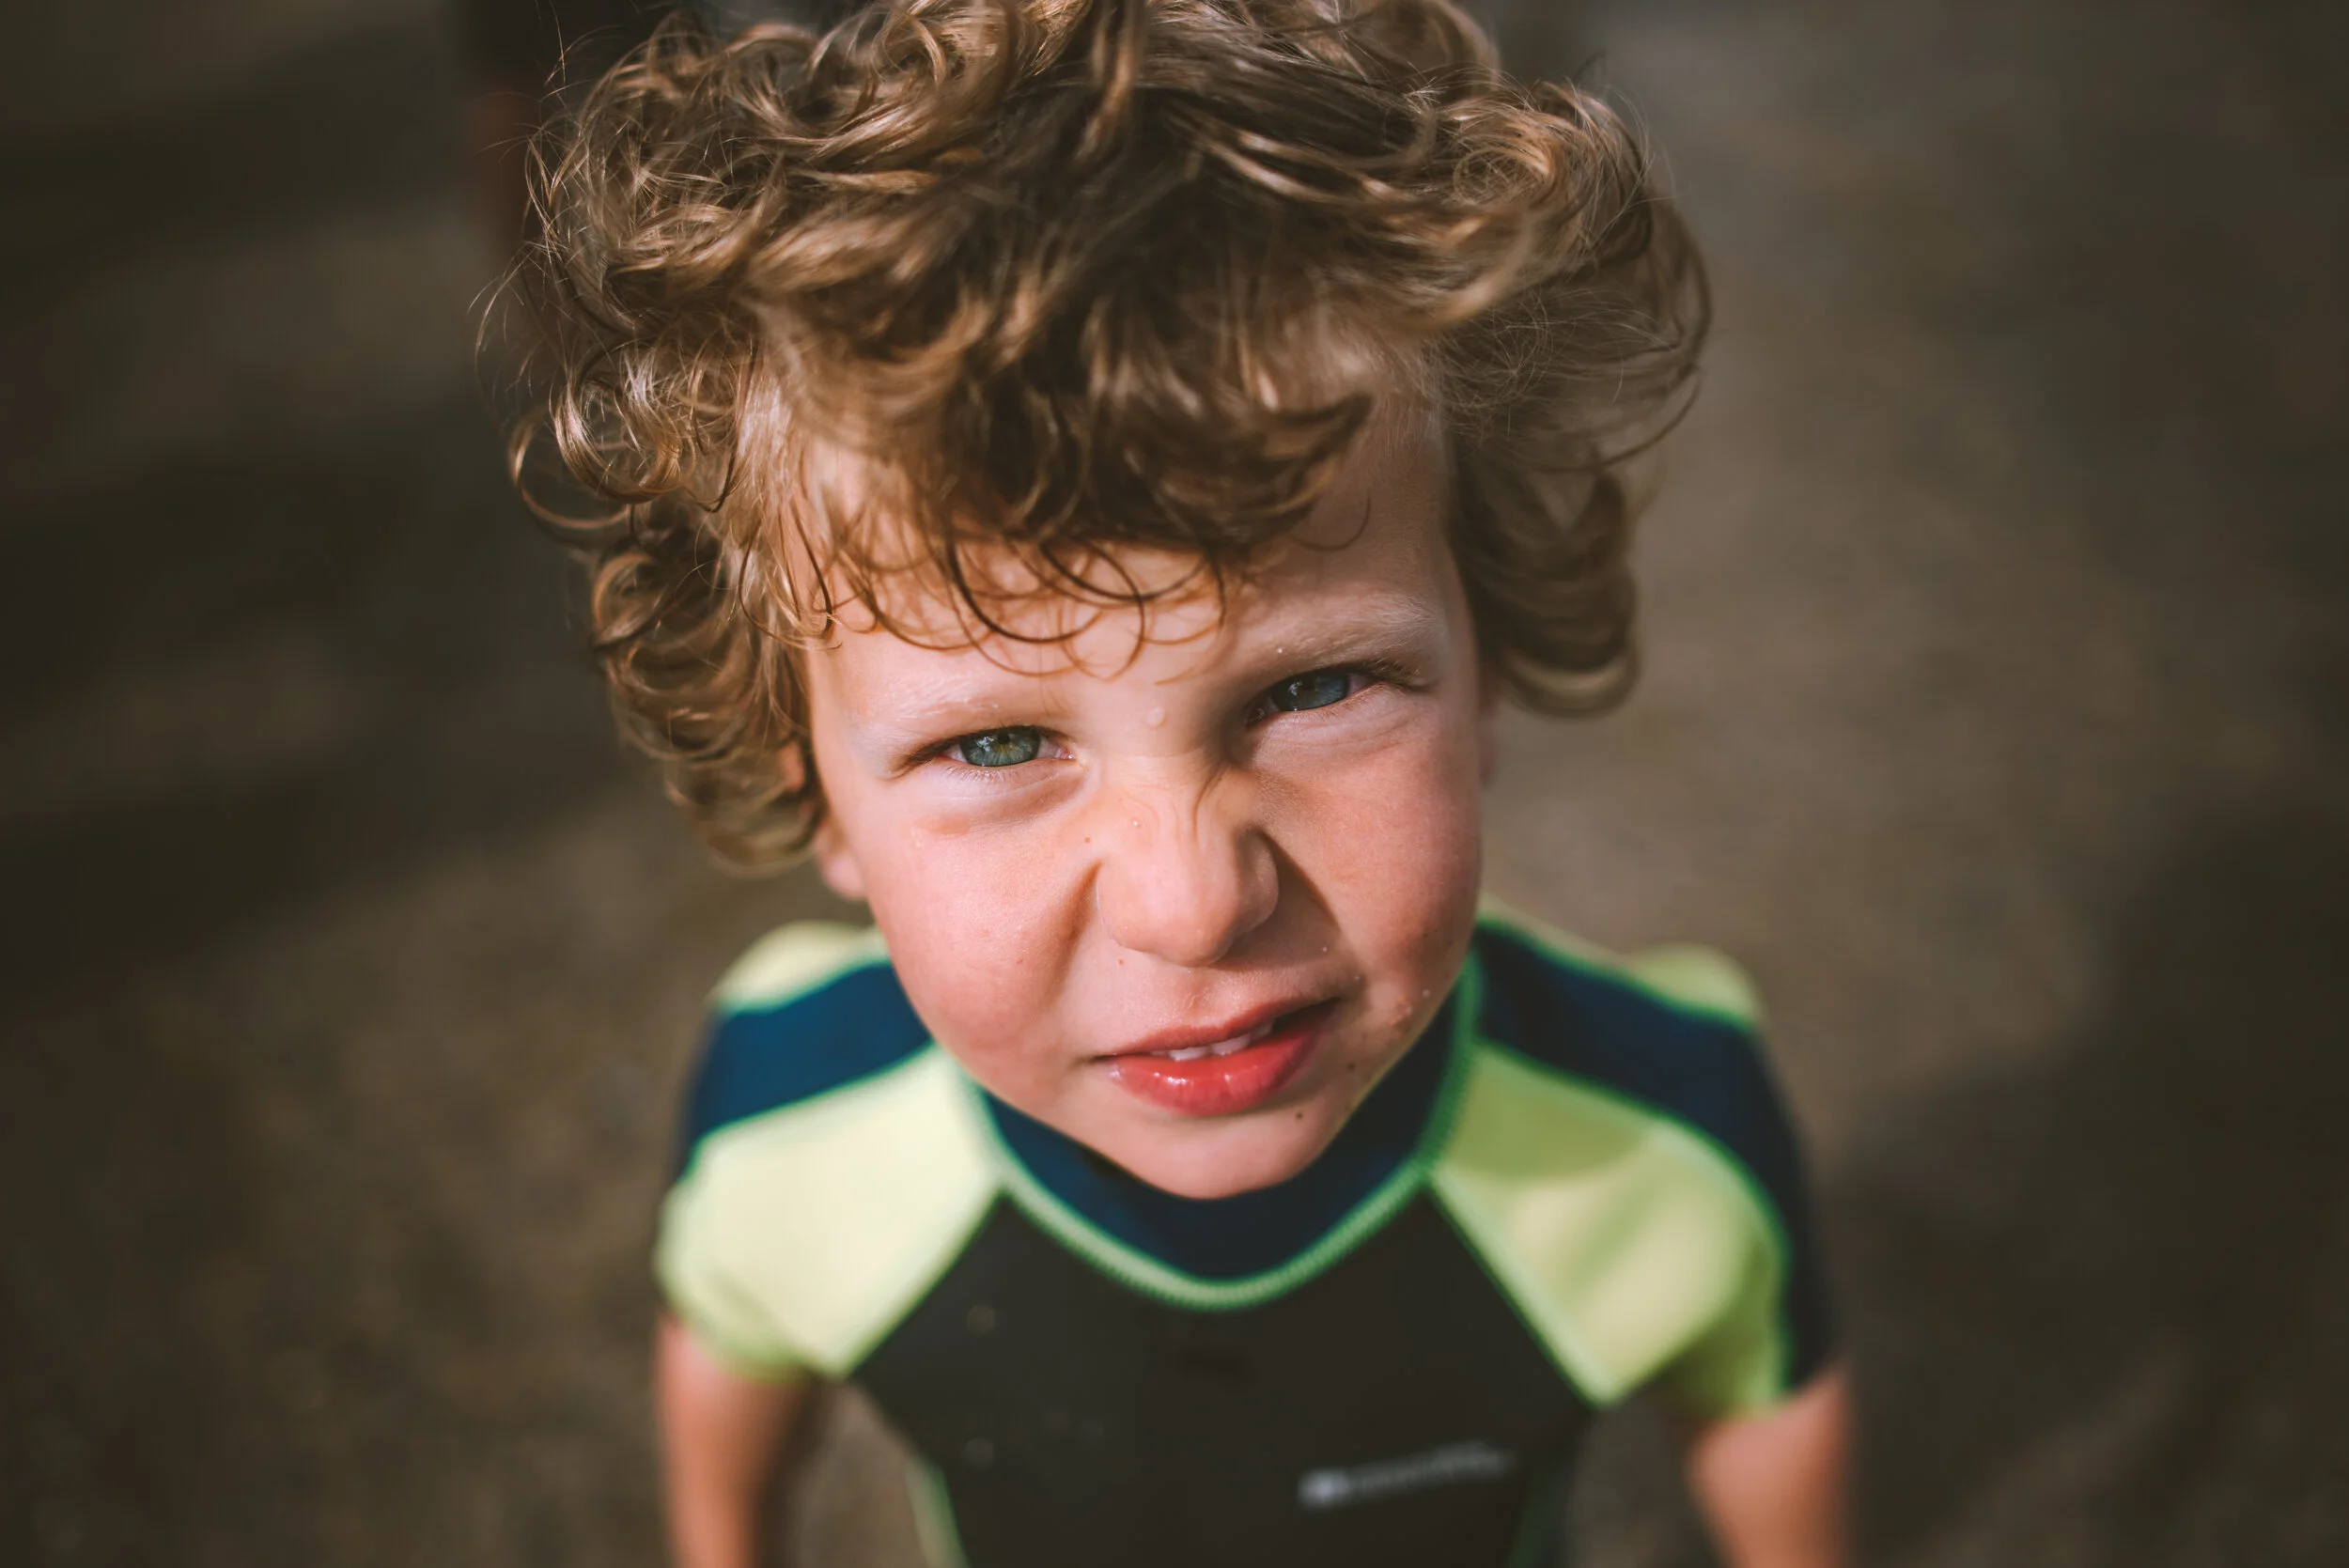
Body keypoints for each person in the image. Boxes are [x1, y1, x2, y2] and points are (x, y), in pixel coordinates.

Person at [505, 1, 1851, 1563]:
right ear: (813, 793)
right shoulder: (784, 1135)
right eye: (997, 741)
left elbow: (1769, 1389)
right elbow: (730, 1354)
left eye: (1311, 687)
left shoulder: (1663, 1135)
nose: (1196, 900)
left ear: (1492, 665)